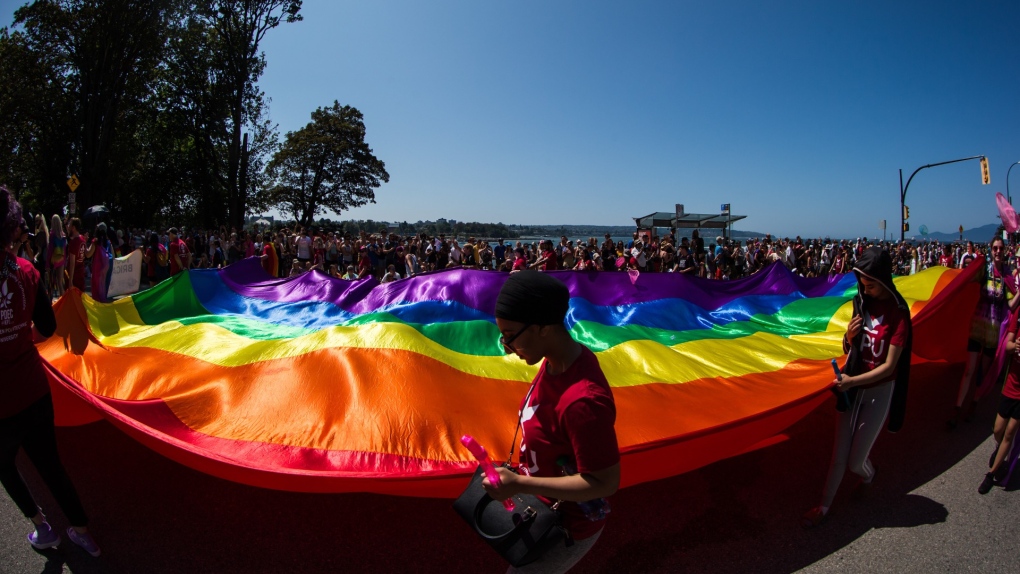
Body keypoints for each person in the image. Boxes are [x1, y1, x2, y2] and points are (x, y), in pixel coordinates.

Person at [483, 272, 620, 573]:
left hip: (564, 527)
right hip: (539, 507)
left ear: (543, 327)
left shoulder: (583, 401)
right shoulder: (556, 362)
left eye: (510, 335)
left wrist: (520, 483)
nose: (505, 347)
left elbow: (604, 482)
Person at [0, 186, 101, 556]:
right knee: (51, 465)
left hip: (5, 402)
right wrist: (17, 337)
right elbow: (46, 326)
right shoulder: (24, 270)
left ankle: (43, 527)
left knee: (5, 465)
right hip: (34, 390)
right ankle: (82, 531)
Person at [802, 247, 912, 528]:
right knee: (839, 454)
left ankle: (869, 475)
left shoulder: (899, 314)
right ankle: (824, 507)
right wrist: (849, 338)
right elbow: (852, 349)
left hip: (878, 392)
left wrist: (852, 381)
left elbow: (889, 367)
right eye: (863, 284)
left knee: (855, 461)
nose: (866, 289)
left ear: (884, 281)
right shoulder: (860, 303)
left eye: (871, 284)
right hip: (851, 389)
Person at [948, 235, 1019, 429]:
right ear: (991, 250)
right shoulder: (985, 271)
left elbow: (1012, 305)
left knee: (984, 372)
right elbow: (966, 280)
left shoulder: (1006, 276)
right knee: (970, 370)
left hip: (993, 332)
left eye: (1001, 249)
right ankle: (957, 407)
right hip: (977, 327)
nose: (998, 252)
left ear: (1004, 251)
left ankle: (974, 403)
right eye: (995, 248)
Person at [979, 308, 1020, 493]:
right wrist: (1016, 346)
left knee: (1010, 432)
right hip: (1011, 384)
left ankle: (991, 473)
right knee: (998, 429)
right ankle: (999, 449)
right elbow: (1007, 345)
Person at [84, 223, 112, 303]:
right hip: (106, 267)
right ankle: (103, 305)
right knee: (103, 287)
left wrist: (85, 242)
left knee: (97, 289)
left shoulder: (95, 242)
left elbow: (88, 254)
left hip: (97, 268)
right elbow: (112, 255)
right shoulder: (108, 242)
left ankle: (98, 307)